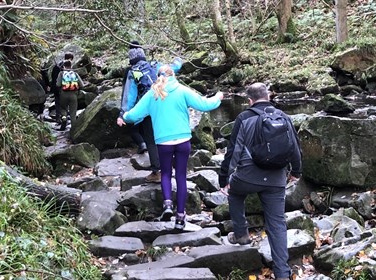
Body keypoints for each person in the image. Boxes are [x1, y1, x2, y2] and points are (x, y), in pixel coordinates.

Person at [123, 64, 224, 229]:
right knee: (181, 177)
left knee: (165, 174)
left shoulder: (152, 94)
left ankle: (168, 204)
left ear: (158, 76)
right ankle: (180, 217)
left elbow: (133, 115)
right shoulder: (182, 90)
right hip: (183, 140)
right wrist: (218, 97)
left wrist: (124, 115)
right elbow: (205, 105)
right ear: (173, 75)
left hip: (163, 142)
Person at [218, 82, 301, 280]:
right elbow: (295, 148)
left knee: (235, 193)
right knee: (277, 224)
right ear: (269, 96)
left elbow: (233, 152)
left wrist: (224, 179)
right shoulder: (284, 117)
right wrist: (296, 172)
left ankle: (241, 234)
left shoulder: (244, 117)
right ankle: (282, 273)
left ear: (249, 101)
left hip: (247, 177)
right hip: (276, 179)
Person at [117, 41, 182, 183]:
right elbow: (174, 68)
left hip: (148, 110)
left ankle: (157, 172)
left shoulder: (133, 72)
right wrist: (179, 59)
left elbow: (129, 96)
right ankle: (174, 164)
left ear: (131, 59)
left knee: (151, 141)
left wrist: (123, 114)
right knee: (166, 136)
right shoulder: (156, 65)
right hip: (164, 105)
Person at [55, 60, 83, 131]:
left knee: (63, 109)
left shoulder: (61, 73)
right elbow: (82, 85)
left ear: (64, 66)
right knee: (73, 113)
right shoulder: (75, 73)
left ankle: (64, 119)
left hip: (63, 95)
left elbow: (58, 84)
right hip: (74, 95)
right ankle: (73, 130)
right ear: (71, 66)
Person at [51, 52, 74, 125]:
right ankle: (64, 117)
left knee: (58, 102)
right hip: (62, 87)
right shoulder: (66, 67)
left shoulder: (57, 65)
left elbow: (52, 76)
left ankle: (58, 118)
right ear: (70, 59)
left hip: (55, 86)